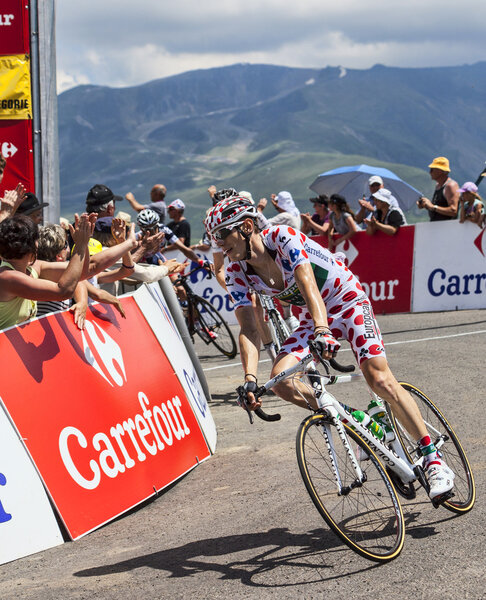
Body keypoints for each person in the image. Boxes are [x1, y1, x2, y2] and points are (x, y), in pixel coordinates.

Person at [204, 196, 455, 501]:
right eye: (211, 238)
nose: (217, 245)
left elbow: (307, 282)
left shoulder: (282, 238)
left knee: (379, 378)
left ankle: (433, 459)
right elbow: (248, 329)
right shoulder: (236, 273)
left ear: (245, 227)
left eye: (220, 235)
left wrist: (323, 329)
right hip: (314, 317)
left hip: (347, 302)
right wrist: (248, 379)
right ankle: (362, 423)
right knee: (281, 382)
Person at [0, 213, 94, 330]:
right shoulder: (7, 278)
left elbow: (82, 272)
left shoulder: (33, 267)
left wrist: (84, 243)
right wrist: (79, 246)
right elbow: (63, 292)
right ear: (34, 245)